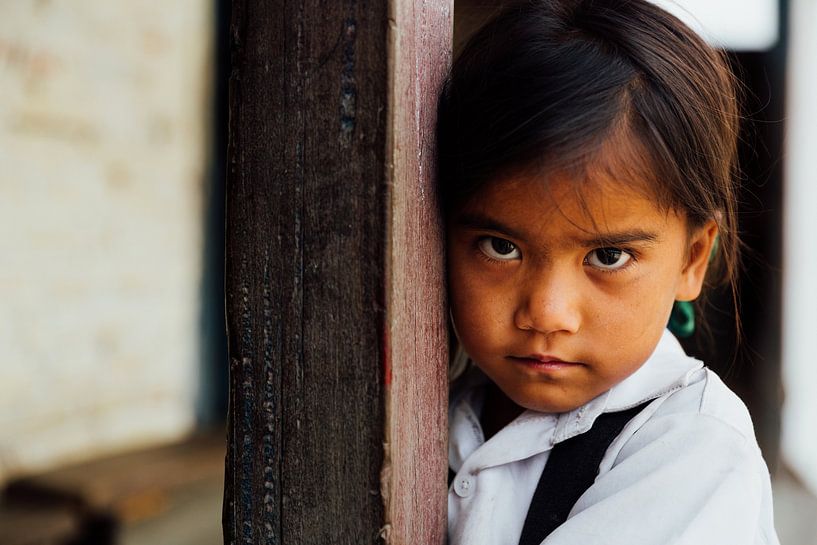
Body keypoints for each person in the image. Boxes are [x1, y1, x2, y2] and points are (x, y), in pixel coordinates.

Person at [436, 1, 780, 544]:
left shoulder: (692, 451)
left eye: (608, 257)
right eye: (500, 247)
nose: (547, 313)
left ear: (692, 259)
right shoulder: (443, 405)